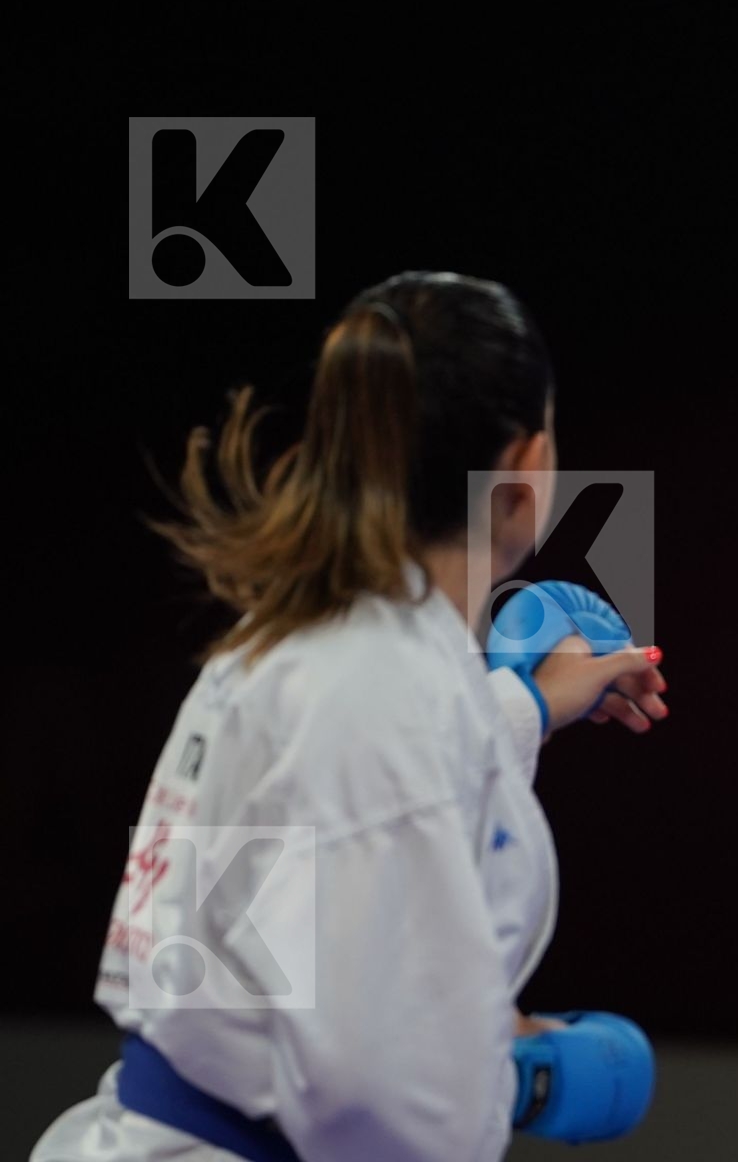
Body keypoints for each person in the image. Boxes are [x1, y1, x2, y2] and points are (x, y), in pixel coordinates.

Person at [32, 271, 668, 1162]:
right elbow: (366, 1097)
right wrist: (518, 1070)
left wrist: (522, 702)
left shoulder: (305, 636)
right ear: (524, 472)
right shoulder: (386, 699)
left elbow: (299, 864)